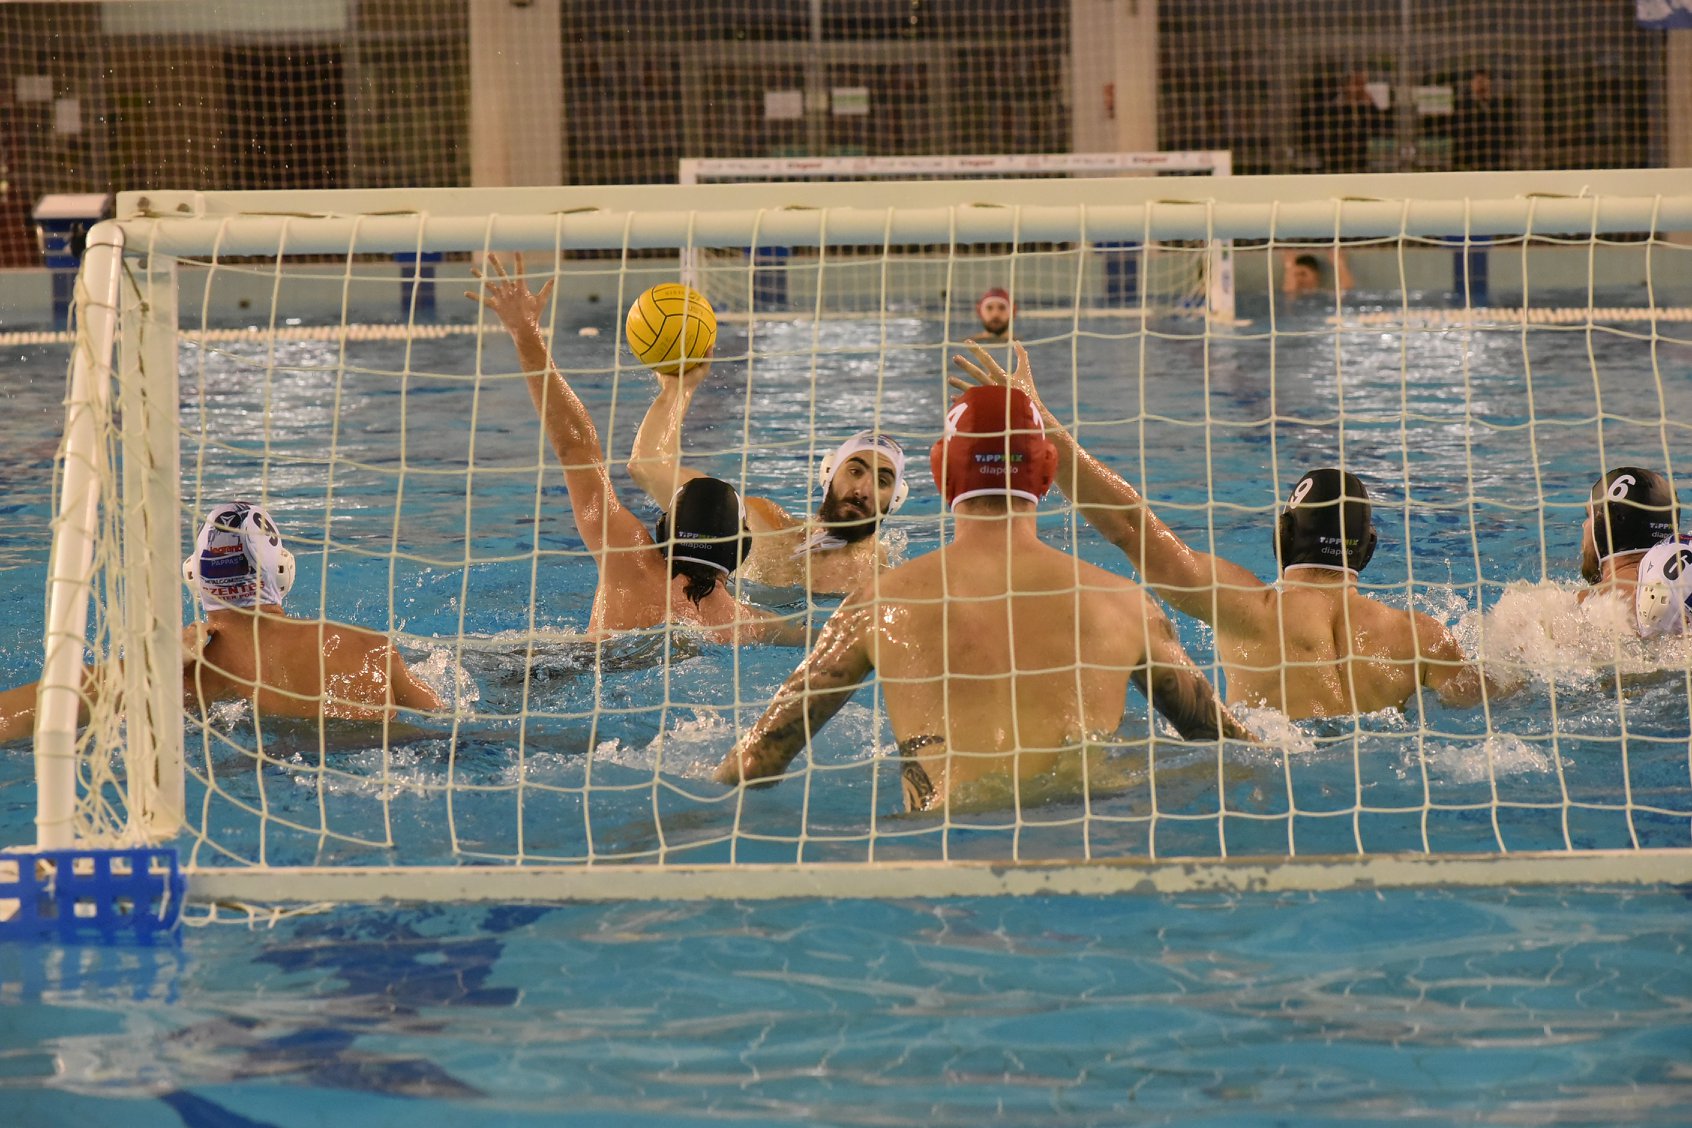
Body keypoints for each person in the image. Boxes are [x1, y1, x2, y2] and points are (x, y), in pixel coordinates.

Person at [712, 382, 1252, 811]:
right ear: (1047, 473)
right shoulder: (1126, 604)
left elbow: (758, 762)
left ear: (940, 472)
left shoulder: (877, 605)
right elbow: (1230, 747)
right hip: (1087, 841)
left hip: (943, 854)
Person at [951, 341, 1507, 720]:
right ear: (1368, 550)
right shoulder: (1421, 637)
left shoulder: (1247, 607)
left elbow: (1130, 527)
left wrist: (1044, 424)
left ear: (1281, 536)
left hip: (1272, 766)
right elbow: (1492, 699)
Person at [469, 253, 802, 645]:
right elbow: (827, 641)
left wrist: (526, 333)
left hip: (567, 667)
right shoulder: (746, 624)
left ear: (663, 531)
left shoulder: (628, 557)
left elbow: (576, 447)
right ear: (741, 549)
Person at [0, 501, 444, 744]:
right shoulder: (369, 649)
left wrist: (153, 664)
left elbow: (16, 716)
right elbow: (445, 724)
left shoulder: (181, 676)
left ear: (194, 576)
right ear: (283, 571)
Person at [627, 348, 909, 596]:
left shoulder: (890, 584)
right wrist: (679, 389)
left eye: (882, 481)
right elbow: (648, 466)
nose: (863, 489)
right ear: (828, 473)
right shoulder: (764, 528)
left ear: (895, 499)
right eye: (855, 470)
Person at [1577, 466, 1678, 612]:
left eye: (1589, 515)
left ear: (1606, 524)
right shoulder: (1684, 588)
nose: (1584, 525)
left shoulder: (1582, 604)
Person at [1452, 68, 1513, 172]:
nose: (1481, 84)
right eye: (1477, 80)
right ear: (1471, 83)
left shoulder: (1498, 106)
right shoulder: (1463, 106)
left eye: (1484, 80)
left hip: (1495, 160)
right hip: (1470, 158)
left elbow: (1505, 131)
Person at [1280, 248, 1353, 296]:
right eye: (1294, 275)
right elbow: (1288, 294)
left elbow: (1346, 293)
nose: (1298, 279)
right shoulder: (1286, 297)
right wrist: (1289, 267)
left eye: (1303, 274)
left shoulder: (1323, 296)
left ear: (1316, 275)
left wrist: (1339, 265)